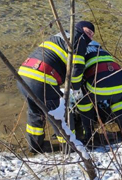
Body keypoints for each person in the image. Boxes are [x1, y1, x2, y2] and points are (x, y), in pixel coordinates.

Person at [17, 21, 95, 152]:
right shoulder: (79, 38)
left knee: (35, 112)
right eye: (88, 32)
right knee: (62, 116)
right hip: (42, 80)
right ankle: (69, 148)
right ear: (80, 29)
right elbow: (77, 67)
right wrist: (75, 87)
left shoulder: (59, 36)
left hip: (23, 75)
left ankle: (34, 147)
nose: (90, 37)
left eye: (92, 35)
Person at [75, 40, 122, 144]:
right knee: (118, 103)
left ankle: (89, 137)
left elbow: (77, 75)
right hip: (121, 84)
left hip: (98, 86)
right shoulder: (104, 52)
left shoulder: (81, 53)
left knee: (83, 102)